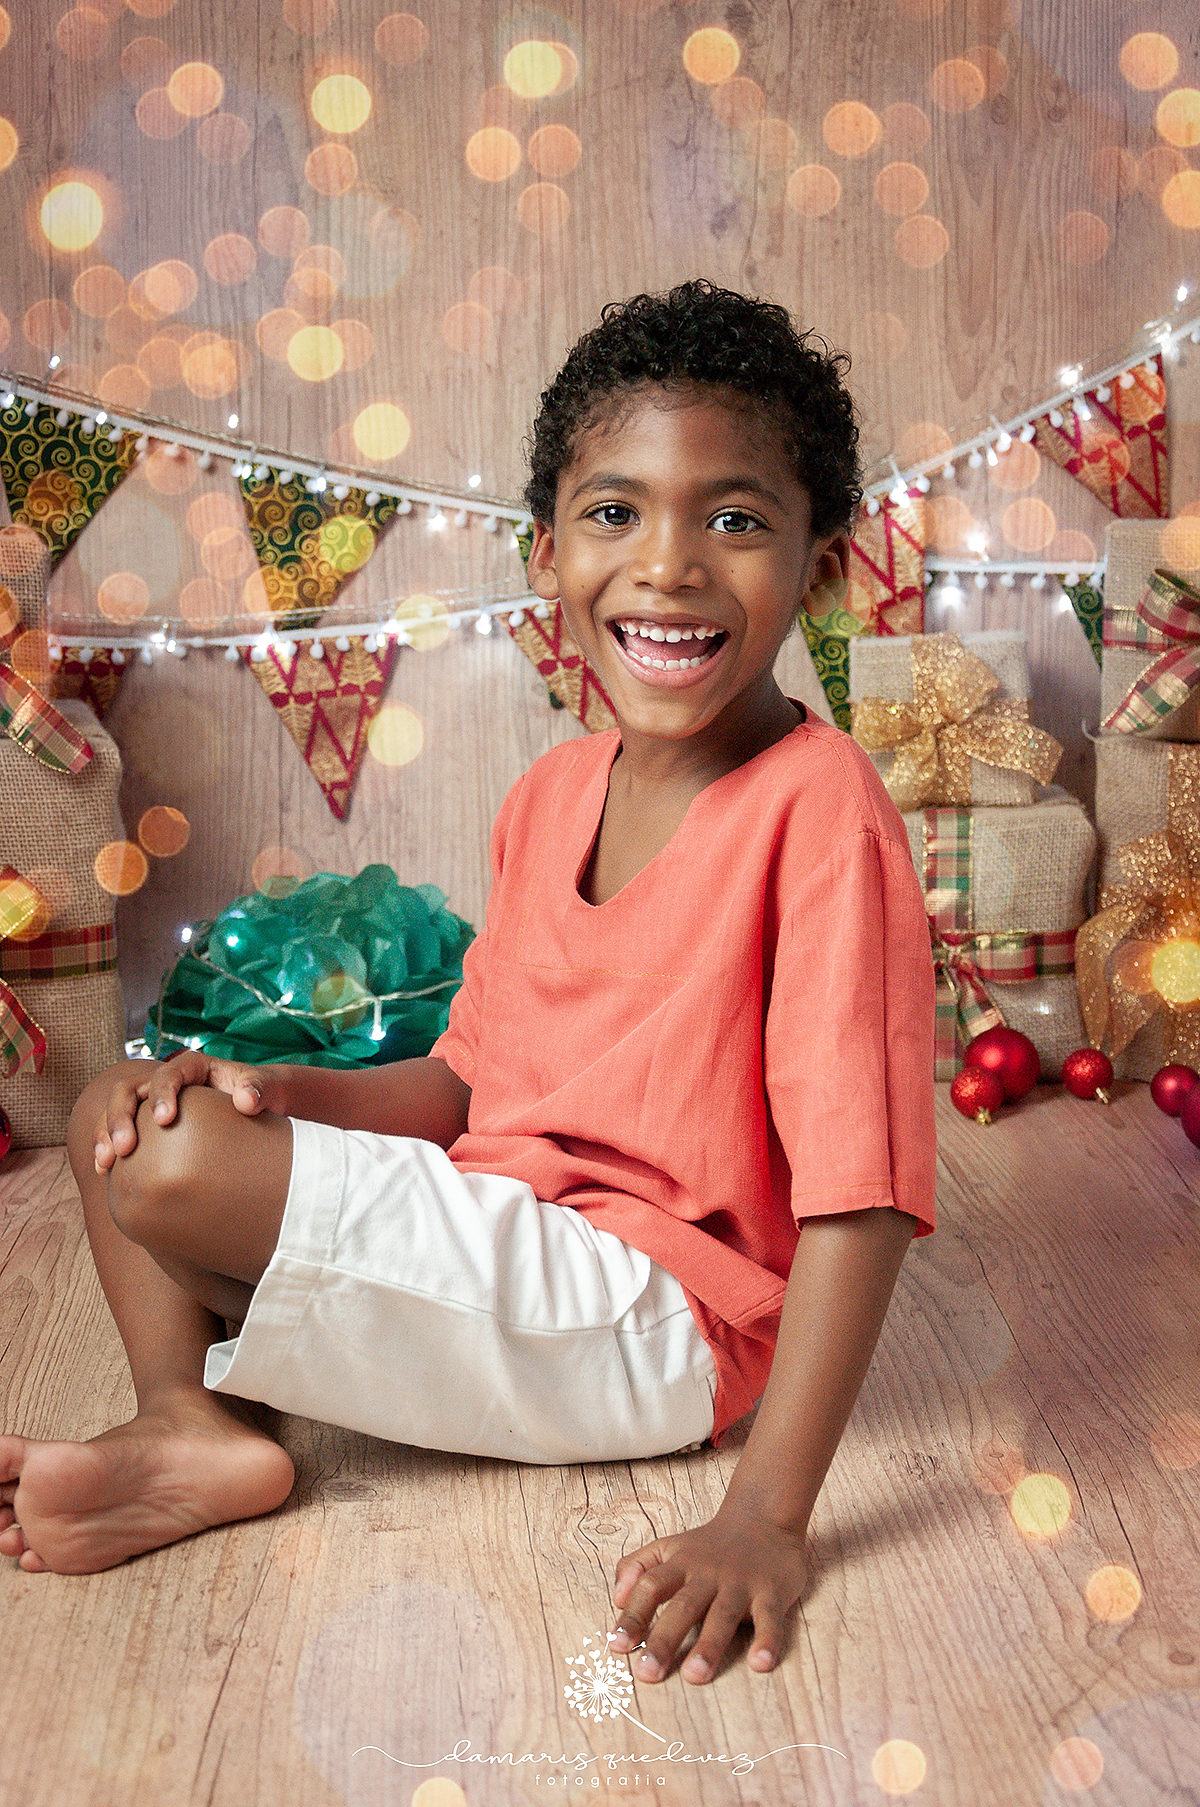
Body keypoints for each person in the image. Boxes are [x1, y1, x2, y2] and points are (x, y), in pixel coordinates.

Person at [0, 280, 935, 1690]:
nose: (670, 565)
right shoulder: (553, 793)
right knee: (126, 1108)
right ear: (548, 551)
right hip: (504, 1227)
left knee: (175, 1169)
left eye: (734, 520)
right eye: (617, 514)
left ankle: (224, 1387)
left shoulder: (823, 813)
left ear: (818, 569)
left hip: (654, 1316)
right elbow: (462, 1085)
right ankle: (183, 1422)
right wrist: (277, 1089)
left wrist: (766, 1519)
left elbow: (860, 1201)